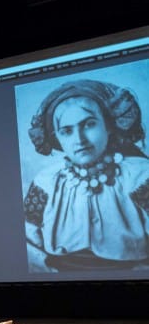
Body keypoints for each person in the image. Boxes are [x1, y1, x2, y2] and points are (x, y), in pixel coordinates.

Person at [23, 78, 149, 271]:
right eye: (66, 131)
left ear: (108, 126)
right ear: (57, 137)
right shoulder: (46, 182)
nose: (79, 139)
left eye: (89, 124)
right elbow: (28, 241)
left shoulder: (139, 175)